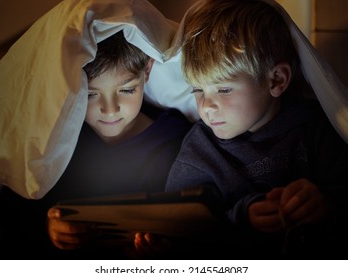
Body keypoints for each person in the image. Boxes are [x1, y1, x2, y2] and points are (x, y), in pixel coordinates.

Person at [135, 0, 348, 259]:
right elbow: (184, 228)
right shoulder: (200, 153)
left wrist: (323, 204)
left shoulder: (315, 129)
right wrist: (240, 219)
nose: (208, 107)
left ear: (277, 80)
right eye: (198, 90)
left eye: (224, 89)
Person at [0, 31, 191, 259]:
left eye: (127, 90)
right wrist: (49, 229)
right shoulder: (55, 141)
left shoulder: (177, 143)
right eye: (90, 95)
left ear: (147, 71)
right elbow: (15, 212)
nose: (110, 110)